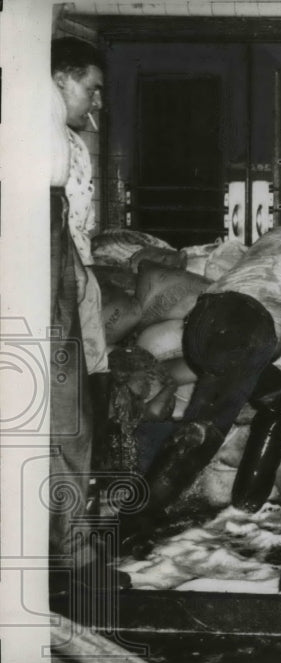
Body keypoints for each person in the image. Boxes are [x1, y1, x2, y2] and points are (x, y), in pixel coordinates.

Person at [121, 210, 281, 548]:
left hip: (202, 323)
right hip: (245, 331)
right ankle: (131, 525)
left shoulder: (276, 237)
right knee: (205, 431)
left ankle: (248, 505)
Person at [50, 37, 126, 591]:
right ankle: (71, 558)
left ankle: (72, 543)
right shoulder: (43, 144)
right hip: (58, 284)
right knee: (66, 425)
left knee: (80, 415)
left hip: (75, 276)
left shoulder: (69, 141)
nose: (96, 102)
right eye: (90, 88)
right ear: (58, 80)